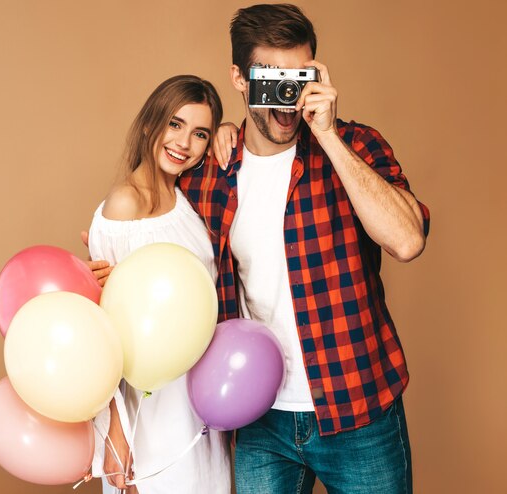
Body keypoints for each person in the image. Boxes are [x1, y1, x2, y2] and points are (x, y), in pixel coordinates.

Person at [178, 4, 430, 494]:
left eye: (296, 77)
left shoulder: (356, 144)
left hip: (357, 404)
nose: (286, 97)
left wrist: (329, 136)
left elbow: (407, 240)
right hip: (257, 413)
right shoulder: (209, 173)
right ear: (239, 78)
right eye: (269, 78)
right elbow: (166, 250)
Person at [86, 75, 230, 494]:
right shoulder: (124, 203)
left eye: (199, 133)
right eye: (175, 124)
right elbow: (104, 327)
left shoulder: (188, 198)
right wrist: (115, 431)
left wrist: (229, 131)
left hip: (196, 403)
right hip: (145, 412)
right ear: (151, 123)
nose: (184, 142)